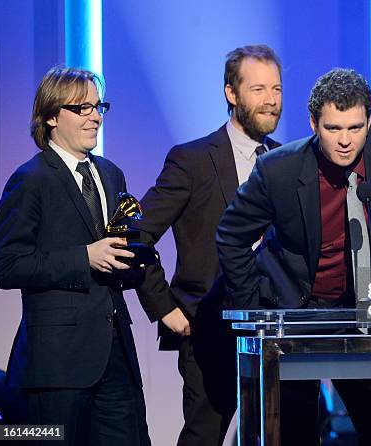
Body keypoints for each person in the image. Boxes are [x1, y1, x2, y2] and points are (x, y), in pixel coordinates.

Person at [216, 68, 371, 445]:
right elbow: (231, 236)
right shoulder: (278, 169)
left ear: (369, 121)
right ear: (313, 123)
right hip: (296, 311)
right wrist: (257, 314)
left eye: (355, 128)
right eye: (333, 129)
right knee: (295, 433)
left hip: (368, 310)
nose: (345, 141)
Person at [134, 44, 283, 446]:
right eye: (258, 90)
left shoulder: (288, 160)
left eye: (277, 89)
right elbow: (137, 236)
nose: (271, 101)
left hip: (275, 332)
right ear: (231, 94)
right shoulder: (193, 160)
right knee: (204, 437)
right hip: (208, 330)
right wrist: (164, 307)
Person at [0, 67, 150, 445]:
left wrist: (134, 261)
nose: (95, 116)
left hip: (115, 353)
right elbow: (6, 265)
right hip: (57, 363)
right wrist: (85, 257)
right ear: (51, 116)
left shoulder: (110, 174)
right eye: (82, 108)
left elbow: (113, 250)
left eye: (98, 107)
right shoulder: (30, 179)